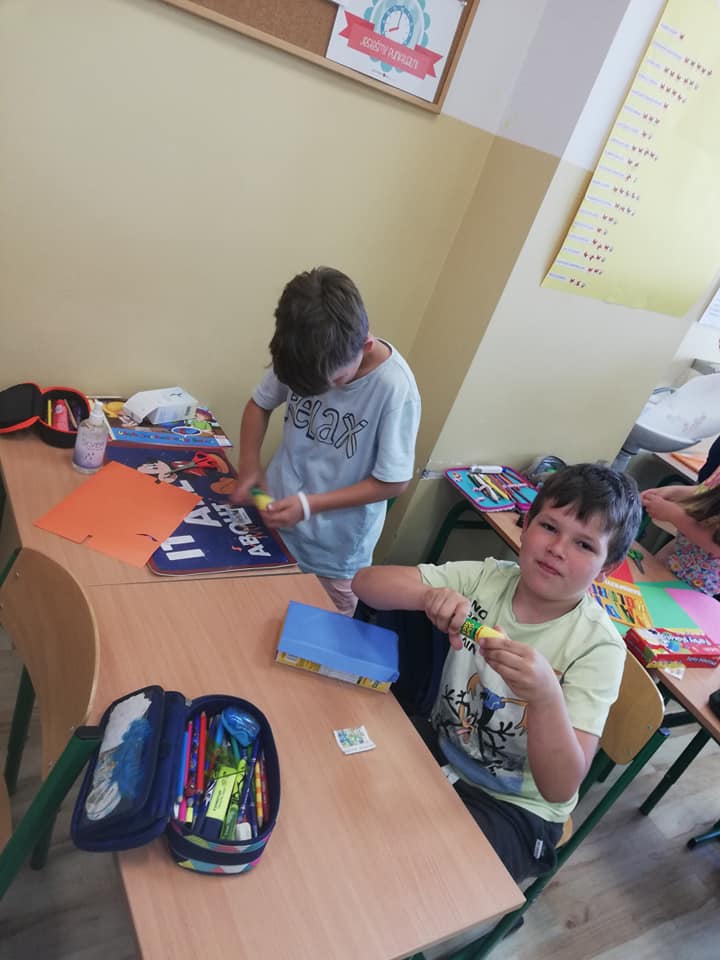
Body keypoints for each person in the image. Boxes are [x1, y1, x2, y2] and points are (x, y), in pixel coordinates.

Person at [352, 463, 641, 883]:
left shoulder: (598, 648)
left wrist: (546, 697)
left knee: (417, 875)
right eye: (549, 527)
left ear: (607, 568)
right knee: (346, 787)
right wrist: (429, 596)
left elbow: (559, 787)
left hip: (517, 810)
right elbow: (365, 583)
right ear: (525, 527)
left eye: (583, 544)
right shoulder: (488, 578)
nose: (557, 548)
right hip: (444, 746)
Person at [230, 266, 421, 616]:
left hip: (333, 557)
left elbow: (393, 482)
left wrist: (311, 505)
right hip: (274, 528)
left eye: (336, 382)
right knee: (248, 617)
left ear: (365, 346)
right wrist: (250, 464)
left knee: (315, 638)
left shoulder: (394, 389)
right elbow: (259, 405)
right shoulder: (301, 353)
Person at [641, 475, 720, 595]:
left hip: (696, 585)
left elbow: (717, 546)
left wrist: (673, 514)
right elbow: (705, 491)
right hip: (678, 555)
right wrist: (674, 492)